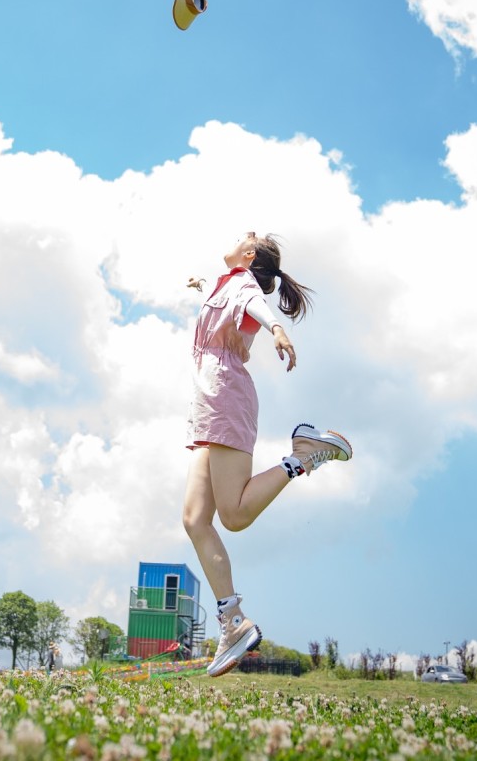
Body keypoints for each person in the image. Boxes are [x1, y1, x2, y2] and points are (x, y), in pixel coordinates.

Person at [182, 231, 353, 677]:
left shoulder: (243, 284)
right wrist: (202, 287)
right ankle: (233, 621)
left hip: (224, 395)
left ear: (249, 254)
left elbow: (255, 303)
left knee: (234, 515)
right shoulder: (227, 283)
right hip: (210, 401)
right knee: (196, 519)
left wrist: (277, 328)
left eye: (244, 237)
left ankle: (305, 455)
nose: (234, 239)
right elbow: (229, 301)